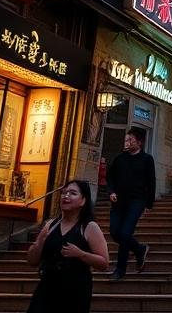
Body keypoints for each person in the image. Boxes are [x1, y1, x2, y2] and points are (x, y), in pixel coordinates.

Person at [26, 180, 109, 312]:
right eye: (64, 193)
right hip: (47, 288)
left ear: (83, 201)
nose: (66, 196)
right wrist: (39, 242)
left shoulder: (89, 227)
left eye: (73, 193)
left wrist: (81, 254)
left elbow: (104, 263)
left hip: (75, 291)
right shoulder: (51, 225)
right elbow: (32, 261)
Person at [108, 127, 156, 280]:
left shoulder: (147, 159)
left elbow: (151, 182)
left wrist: (148, 204)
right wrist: (111, 192)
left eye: (131, 140)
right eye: (126, 140)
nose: (127, 143)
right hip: (119, 201)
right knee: (115, 232)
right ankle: (139, 249)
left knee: (125, 234)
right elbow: (110, 178)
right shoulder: (119, 158)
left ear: (139, 142)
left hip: (137, 201)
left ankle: (120, 270)